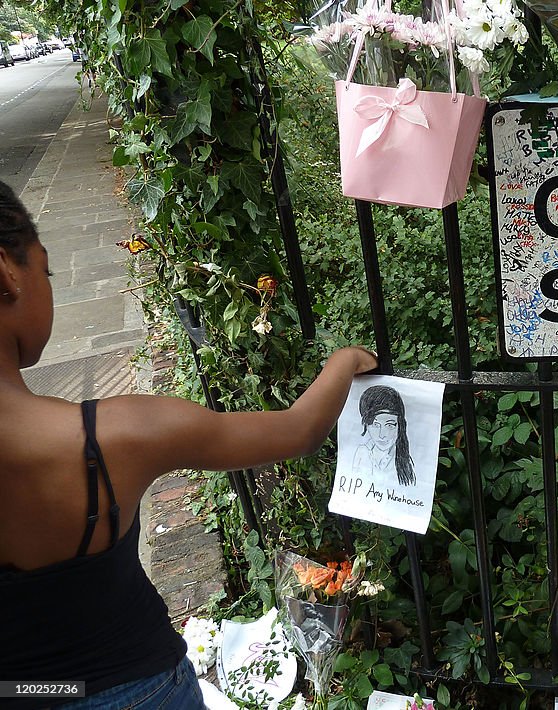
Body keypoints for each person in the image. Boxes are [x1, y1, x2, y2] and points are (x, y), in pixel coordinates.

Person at [0, 180, 377, 708]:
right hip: (138, 689)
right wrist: (347, 360)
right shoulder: (113, 439)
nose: (49, 283)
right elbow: (300, 430)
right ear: (7, 271)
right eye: (47, 269)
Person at [352, 384, 415, 486]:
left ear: (400, 425)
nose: (382, 435)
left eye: (390, 425)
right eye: (375, 425)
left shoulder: (405, 459)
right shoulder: (362, 453)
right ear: (366, 425)